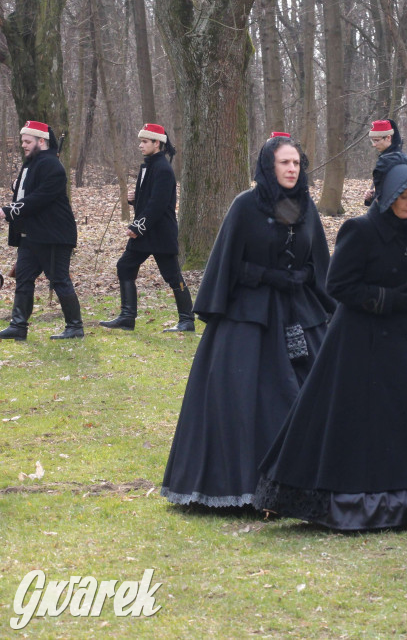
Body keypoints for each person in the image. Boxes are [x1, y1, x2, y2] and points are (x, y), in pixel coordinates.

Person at [255, 163, 407, 531]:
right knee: (354, 415)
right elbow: (338, 285)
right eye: (404, 197)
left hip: (399, 337)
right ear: (387, 195)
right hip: (357, 339)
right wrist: (391, 299)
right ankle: (356, 497)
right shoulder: (359, 230)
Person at [161, 135, 335, 508]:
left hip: (299, 313)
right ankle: (245, 487)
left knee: (315, 391)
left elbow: (318, 262)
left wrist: (308, 285)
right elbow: (228, 262)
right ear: (268, 166)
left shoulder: (306, 206)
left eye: (296, 163)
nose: (292, 169)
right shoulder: (245, 205)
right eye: (284, 163)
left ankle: (308, 482)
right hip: (251, 316)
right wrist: (265, 276)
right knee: (246, 397)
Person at [99, 123, 194, 333]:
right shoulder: (148, 166)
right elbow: (149, 199)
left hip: (160, 233)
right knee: (125, 266)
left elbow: (158, 205)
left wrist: (137, 226)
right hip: (145, 233)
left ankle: (187, 320)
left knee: (173, 276)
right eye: (140, 141)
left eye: (144, 142)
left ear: (156, 144)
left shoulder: (163, 169)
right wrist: (135, 199)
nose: (140, 146)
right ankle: (127, 317)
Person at [0, 121, 83, 341]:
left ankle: (75, 327)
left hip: (54, 235)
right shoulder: (32, 163)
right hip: (32, 235)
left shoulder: (52, 165)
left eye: (27, 141)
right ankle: (18, 325)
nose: (23, 145)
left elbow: (40, 198)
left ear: (41, 141)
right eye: (22, 141)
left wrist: (7, 211)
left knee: (59, 279)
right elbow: (28, 191)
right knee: (24, 278)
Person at [363, 119, 407, 208]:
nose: (374, 145)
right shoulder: (386, 159)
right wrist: (371, 198)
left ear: (388, 138)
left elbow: (394, 198)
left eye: (376, 140)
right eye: (372, 141)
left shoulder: (395, 162)